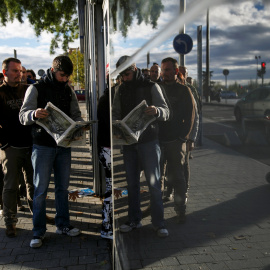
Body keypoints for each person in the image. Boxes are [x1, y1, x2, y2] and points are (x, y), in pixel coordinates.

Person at [19, 55, 82, 248]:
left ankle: (62, 224)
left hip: (63, 146)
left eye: (68, 76)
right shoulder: (35, 88)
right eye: (63, 75)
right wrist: (34, 113)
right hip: (43, 146)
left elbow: (76, 114)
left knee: (62, 189)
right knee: (40, 191)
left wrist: (78, 126)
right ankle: (38, 232)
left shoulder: (68, 90)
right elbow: (23, 115)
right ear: (53, 70)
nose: (65, 79)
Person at [112, 55, 170, 237]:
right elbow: (115, 112)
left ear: (135, 69)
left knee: (153, 184)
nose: (124, 78)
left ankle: (159, 223)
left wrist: (157, 111)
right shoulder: (120, 89)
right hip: (129, 143)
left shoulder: (152, 86)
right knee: (132, 185)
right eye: (121, 75)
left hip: (149, 142)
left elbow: (166, 111)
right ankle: (134, 220)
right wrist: (116, 124)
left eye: (127, 74)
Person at [0, 57, 34, 237]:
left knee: (33, 184)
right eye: (15, 71)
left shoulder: (28, 90)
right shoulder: (1, 93)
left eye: (20, 71)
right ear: (5, 72)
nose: (19, 74)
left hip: (29, 145)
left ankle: (38, 216)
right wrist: (4, 144)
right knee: (11, 186)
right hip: (10, 147)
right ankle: (10, 221)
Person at [158, 57, 195, 224]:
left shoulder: (184, 91)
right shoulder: (156, 88)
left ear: (175, 71)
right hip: (159, 140)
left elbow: (190, 116)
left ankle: (180, 208)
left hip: (175, 140)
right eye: (163, 70)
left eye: (167, 70)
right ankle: (157, 210)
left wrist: (184, 137)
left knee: (178, 176)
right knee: (158, 177)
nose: (164, 73)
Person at [178, 67, 200, 191]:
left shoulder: (190, 90)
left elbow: (195, 116)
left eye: (183, 73)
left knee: (185, 162)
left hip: (186, 134)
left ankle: (185, 189)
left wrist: (192, 138)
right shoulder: (173, 88)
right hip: (176, 135)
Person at [97, 86, 114, 240]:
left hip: (106, 148)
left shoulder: (105, 98)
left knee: (110, 187)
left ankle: (107, 224)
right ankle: (107, 225)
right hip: (108, 147)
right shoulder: (107, 100)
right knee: (110, 188)